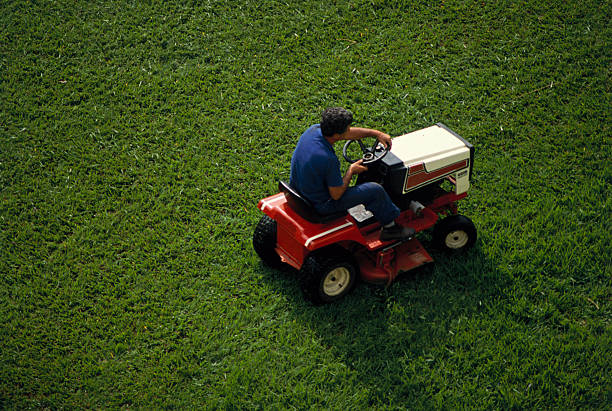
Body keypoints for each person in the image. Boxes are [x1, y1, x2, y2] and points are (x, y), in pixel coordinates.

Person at [290, 107, 414, 241]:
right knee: (375, 190)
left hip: (299, 191)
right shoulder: (327, 158)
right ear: (337, 135)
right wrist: (351, 171)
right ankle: (390, 228)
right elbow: (336, 195)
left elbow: (348, 134)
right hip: (321, 204)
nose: (349, 131)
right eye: (347, 129)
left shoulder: (313, 131)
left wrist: (376, 134)